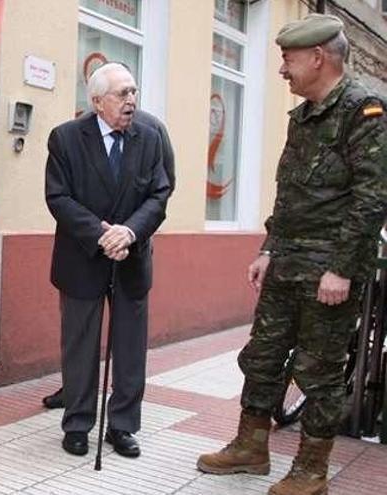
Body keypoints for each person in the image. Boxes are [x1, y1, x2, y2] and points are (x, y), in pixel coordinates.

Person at [197, 14, 387, 495]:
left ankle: (310, 470)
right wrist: (268, 248)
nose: (283, 69)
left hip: (329, 273)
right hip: (286, 264)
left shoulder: (364, 111)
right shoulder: (302, 117)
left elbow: (371, 199)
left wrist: (341, 268)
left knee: (318, 372)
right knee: (261, 356)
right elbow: (291, 195)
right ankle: (250, 446)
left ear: (318, 58)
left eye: (288, 58)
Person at [45, 62, 171, 458]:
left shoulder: (149, 137)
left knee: (130, 348)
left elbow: (160, 194)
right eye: (122, 94)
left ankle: (122, 426)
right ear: (97, 101)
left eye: (134, 92)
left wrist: (129, 232)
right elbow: (58, 197)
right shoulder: (65, 138)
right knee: (79, 346)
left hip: (131, 258)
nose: (131, 100)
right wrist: (101, 234)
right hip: (82, 258)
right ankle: (78, 423)